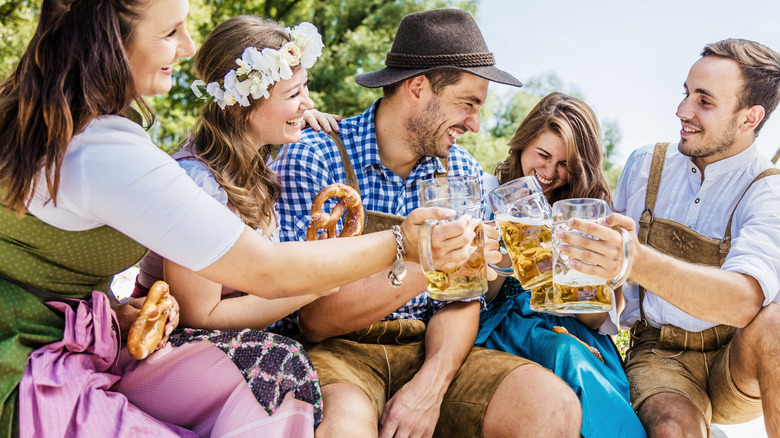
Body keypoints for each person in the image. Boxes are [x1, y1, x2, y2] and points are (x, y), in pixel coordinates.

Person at [0, 0, 477, 436]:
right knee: (280, 366)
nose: (188, 48)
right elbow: (262, 273)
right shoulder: (130, 158)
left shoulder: (81, 129)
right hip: (35, 359)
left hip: (91, 332)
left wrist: (294, 113)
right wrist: (404, 245)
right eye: (170, 32)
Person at [272, 8, 582, 437]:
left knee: (553, 408)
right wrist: (428, 258)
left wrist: (431, 386)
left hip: (430, 348)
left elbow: (459, 300)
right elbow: (316, 320)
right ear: (418, 88)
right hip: (337, 352)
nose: (475, 123)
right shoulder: (315, 156)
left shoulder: (464, 173)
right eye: (467, 103)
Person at [559, 39, 780, 437]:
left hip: (736, 362)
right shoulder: (646, 165)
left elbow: (746, 301)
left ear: (750, 119)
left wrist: (636, 259)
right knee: (672, 428)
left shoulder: (769, 191)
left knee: (778, 321)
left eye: (704, 101)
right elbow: (609, 292)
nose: (682, 111)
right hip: (660, 354)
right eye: (685, 93)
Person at [476, 92, 646, 438]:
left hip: (570, 327)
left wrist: (572, 278)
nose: (549, 173)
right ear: (523, 143)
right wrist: (509, 254)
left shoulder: (588, 214)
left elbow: (599, 318)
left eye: (564, 164)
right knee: (562, 354)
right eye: (543, 155)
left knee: (575, 358)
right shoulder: (488, 190)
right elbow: (485, 293)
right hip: (503, 325)